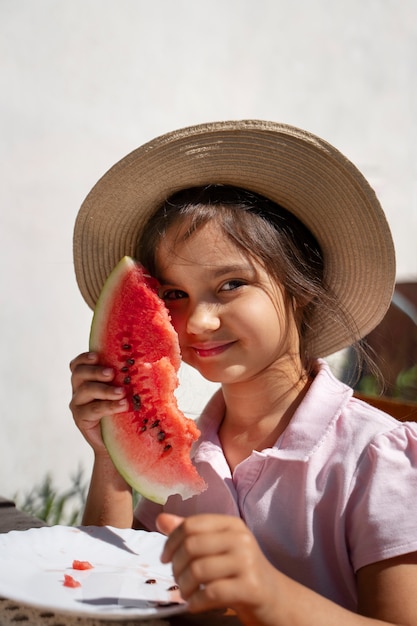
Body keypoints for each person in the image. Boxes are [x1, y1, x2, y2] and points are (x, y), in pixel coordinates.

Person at [70, 120, 417, 626]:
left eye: (231, 284)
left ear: (302, 288)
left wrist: (272, 596)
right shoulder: (184, 454)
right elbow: (102, 588)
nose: (201, 321)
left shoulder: (377, 458)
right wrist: (110, 456)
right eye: (174, 295)